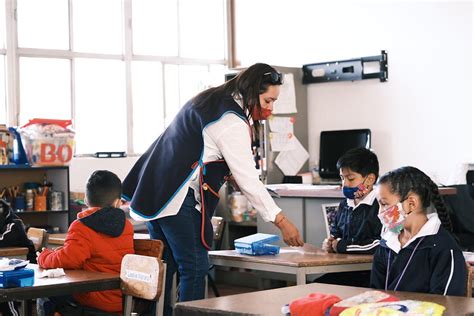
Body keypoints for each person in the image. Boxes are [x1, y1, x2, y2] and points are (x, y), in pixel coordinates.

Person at [122, 63, 304, 315]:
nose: (270, 108)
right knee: (195, 267)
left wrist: (227, 174)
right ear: (252, 92)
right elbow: (249, 179)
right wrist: (281, 221)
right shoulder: (231, 121)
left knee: (166, 266)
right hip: (178, 198)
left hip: (154, 194)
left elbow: (203, 152)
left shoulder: (210, 99)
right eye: (268, 100)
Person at [37, 170, 134, 315]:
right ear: (117, 202)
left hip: (93, 302)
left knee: (44, 296)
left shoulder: (81, 226)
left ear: (86, 201)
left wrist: (43, 257)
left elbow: (68, 259)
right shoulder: (127, 226)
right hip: (122, 300)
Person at [370, 166, 467, 296]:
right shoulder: (387, 243)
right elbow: (375, 294)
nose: (380, 212)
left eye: (385, 204)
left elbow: (448, 303)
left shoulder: (444, 248)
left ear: (411, 204)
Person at [316, 147, 382, 287]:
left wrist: (343, 246)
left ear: (370, 179)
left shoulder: (381, 205)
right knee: (315, 287)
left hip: (369, 274)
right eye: (342, 178)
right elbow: (336, 234)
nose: (345, 184)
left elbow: (381, 244)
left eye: (350, 178)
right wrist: (330, 243)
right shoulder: (344, 204)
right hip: (343, 270)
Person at [0, 199, 36, 316]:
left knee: (2, 288)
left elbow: (2, 241)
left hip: (26, 272)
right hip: (11, 270)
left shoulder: (14, 224)